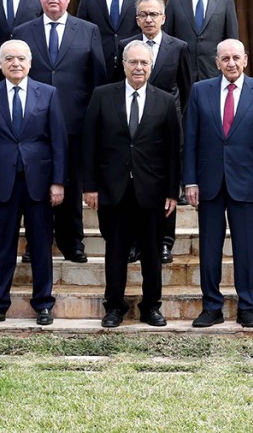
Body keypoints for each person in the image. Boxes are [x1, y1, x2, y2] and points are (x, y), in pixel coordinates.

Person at [82, 41, 181, 327]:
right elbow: (89, 144)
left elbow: (173, 150)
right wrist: (89, 186)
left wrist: (172, 192)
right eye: (133, 62)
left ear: (151, 67)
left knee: (152, 253)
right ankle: (114, 306)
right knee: (115, 252)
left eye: (144, 63)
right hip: (113, 190)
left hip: (152, 191)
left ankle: (152, 307)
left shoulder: (164, 100)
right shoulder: (102, 96)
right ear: (124, 65)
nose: (139, 68)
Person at [0, 40, 67, 326]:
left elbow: (58, 142)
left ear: (30, 63)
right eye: (9, 58)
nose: (15, 63)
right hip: (1, 184)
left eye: (21, 58)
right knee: (3, 247)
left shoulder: (48, 94)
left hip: (39, 183)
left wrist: (58, 182)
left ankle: (44, 304)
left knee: (40, 246)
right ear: (0, 64)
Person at [12, 0, 105, 263]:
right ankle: (35, 242)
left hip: (74, 121)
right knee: (35, 184)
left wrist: (93, 119)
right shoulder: (22, 31)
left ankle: (72, 241)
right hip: (33, 124)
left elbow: (97, 78)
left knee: (72, 182)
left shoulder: (88, 30)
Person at [184, 39, 253, 328]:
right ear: (217, 62)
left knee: (246, 248)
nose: (231, 63)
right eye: (225, 58)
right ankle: (211, 306)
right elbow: (191, 139)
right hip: (209, 182)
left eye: (236, 57)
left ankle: (247, 305)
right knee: (209, 247)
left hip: (246, 182)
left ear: (246, 59)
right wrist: (190, 181)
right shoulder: (200, 91)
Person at [117, 0, 194, 265]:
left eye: (154, 14)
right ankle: (135, 243)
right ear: (137, 19)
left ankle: (164, 242)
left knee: (166, 186)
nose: (148, 19)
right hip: (134, 130)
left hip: (167, 130)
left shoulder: (179, 47)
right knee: (135, 186)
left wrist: (179, 125)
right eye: (143, 15)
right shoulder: (126, 46)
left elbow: (186, 90)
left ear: (164, 17)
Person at [163, 0, 240, 80]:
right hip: (182, 73)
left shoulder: (225, 1)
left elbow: (232, 40)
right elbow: (167, 39)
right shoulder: (174, 1)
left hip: (214, 73)